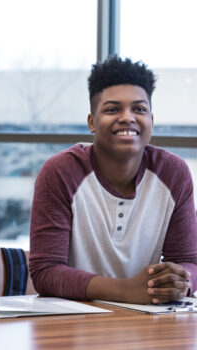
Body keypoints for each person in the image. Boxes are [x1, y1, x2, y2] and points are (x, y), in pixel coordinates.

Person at [29, 56, 197, 304]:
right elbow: (46, 272)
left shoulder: (174, 173)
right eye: (112, 109)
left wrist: (181, 281)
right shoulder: (60, 172)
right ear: (92, 123)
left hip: (147, 322)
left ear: (152, 120)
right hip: (75, 323)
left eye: (139, 109)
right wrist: (127, 291)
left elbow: (189, 261)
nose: (127, 117)